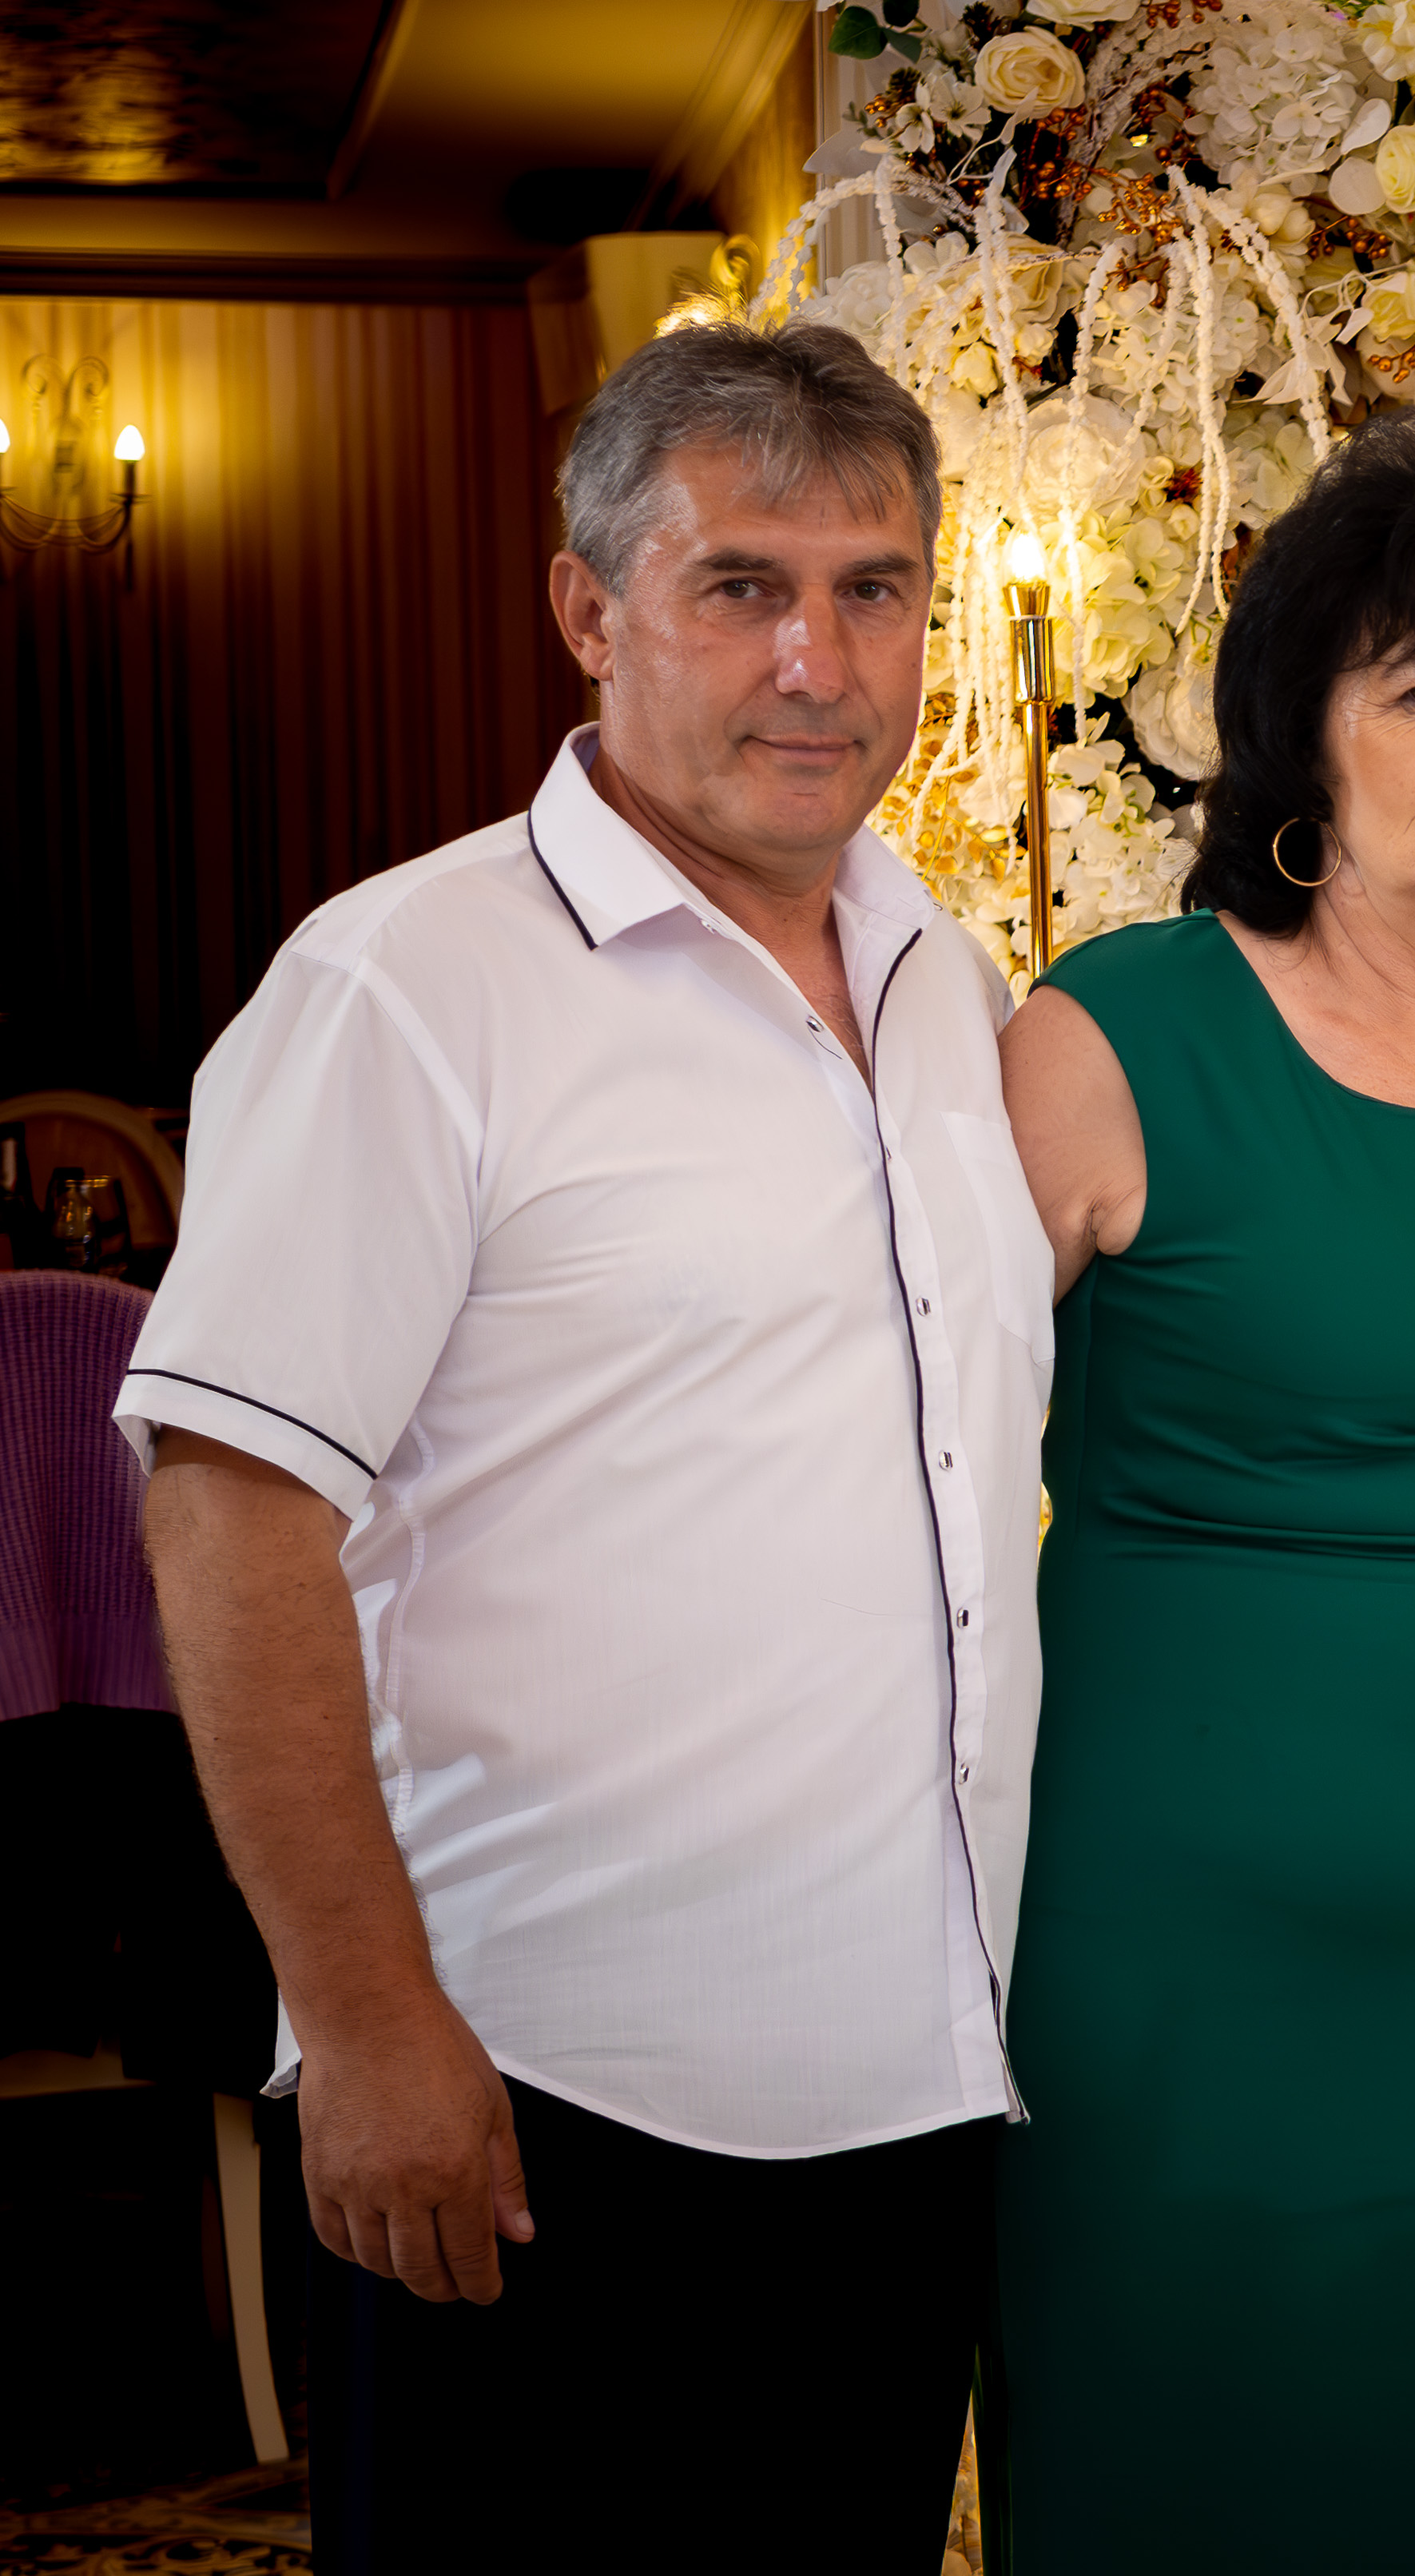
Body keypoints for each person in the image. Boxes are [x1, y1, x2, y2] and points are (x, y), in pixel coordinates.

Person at [117, 323, 1032, 2572]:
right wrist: (363, 2025)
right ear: (587, 609)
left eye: (875, 589)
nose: (818, 660)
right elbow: (231, 1516)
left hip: (915, 2089)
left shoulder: (952, 980)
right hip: (541, 2098)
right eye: (741, 588)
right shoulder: (407, 986)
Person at [982, 407, 1415, 2566]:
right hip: (1166, 1902)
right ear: (1301, 727)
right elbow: (898, 1468)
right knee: (1168, 2435)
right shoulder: (1113, 1032)